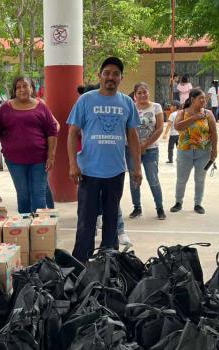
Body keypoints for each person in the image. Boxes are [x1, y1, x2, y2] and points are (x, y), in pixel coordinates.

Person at [68, 56, 142, 262]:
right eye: (107, 73)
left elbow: (133, 137)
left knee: (111, 222)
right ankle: (80, 263)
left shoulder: (127, 102)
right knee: (86, 222)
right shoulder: (86, 100)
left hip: (116, 171)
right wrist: (73, 164)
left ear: (121, 78)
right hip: (88, 172)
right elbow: (72, 133)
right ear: (100, 76)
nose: (111, 77)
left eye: (115, 74)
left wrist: (137, 167)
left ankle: (109, 262)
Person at [0, 76, 58, 214]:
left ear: (32, 88)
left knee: (39, 194)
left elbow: (52, 131)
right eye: (19, 87)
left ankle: (40, 231)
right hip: (15, 161)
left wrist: (51, 156)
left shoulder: (41, 106)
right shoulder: (5, 108)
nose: (22, 89)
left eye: (25, 86)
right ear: (14, 90)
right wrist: (11, 144)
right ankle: (23, 230)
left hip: (40, 159)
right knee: (23, 194)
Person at [170, 88, 217, 214]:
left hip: (204, 152)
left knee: (200, 179)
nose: (203, 100)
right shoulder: (182, 112)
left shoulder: (208, 113)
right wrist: (194, 118)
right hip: (184, 152)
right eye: (200, 98)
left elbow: (214, 133)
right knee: (181, 179)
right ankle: (178, 202)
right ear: (192, 99)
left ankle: (198, 204)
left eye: (204, 98)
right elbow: (177, 126)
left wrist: (214, 150)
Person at [127, 82, 166, 220]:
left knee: (153, 179)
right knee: (134, 179)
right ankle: (137, 207)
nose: (142, 95)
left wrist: (144, 145)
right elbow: (127, 128)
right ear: (135, 95)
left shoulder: (156, 107)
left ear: (148, 92)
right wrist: (136, 147)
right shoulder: (130, 107)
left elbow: (160, 128)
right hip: (131, 150)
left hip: (151, 150)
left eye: (145, 92)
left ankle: (160, 208)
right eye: (139, 93)